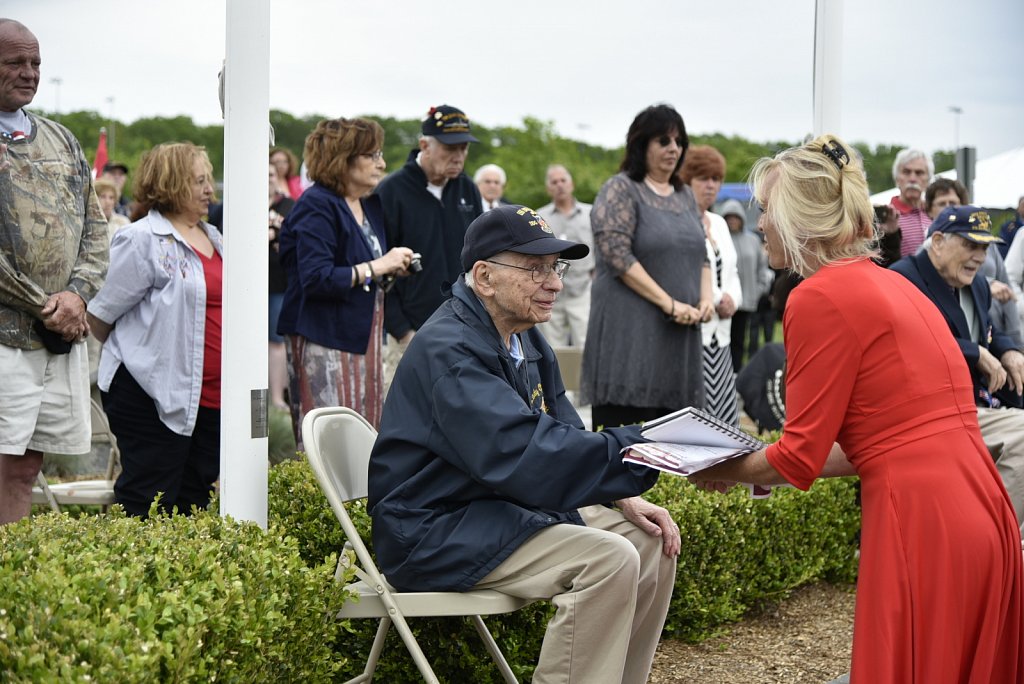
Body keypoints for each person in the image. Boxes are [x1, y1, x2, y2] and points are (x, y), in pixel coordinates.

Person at [689, 135, 1024, 682]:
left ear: (799, 219)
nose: (760, 224)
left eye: (768, 210)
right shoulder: (897, 287)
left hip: (922, 521)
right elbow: (876, 442)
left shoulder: (817, 297)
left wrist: (721, 467)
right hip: (982, 509)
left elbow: (797, 458)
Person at [369, 204, 678, 684]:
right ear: (485, 277)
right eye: (535, 269)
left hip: (490, 508)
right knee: (608, 559)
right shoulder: (450, 350)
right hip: (432, 530)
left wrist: (623, 492)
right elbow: (526, 455)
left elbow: (565, 433)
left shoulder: (523, 336)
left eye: (555, 267)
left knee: (649, 542)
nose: (554, 283)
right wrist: (651, 446)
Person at [0, 19, 108, 525]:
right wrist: (44, 305)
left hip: (59, 334)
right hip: (9, 336)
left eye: (36, 63)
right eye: (15, 62)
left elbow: (95, 226)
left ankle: (16, 574)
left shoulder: (62, 139)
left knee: (26, 466)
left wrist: (78, 296)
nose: (28, 73)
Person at [86, 142, 222, 517]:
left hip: (208, 399)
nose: (209, 189)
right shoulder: (142, 239)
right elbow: (100, 316)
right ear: (171, 183)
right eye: (198, 181)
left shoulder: (216, 238)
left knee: (194, 499)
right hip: (150, 395)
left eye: (208, 180)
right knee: (148, 498)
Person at [276, 117, 414, 440]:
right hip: (324, 341)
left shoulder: (368, 204)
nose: (382, 163)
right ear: (343, 159)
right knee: (331, 443)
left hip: (363, 338)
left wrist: (389, 269)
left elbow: (361, 268)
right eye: (372, 155)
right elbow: (316, 278)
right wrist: (379, 265)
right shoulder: (316, 205)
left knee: (364, 440)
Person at [580, 104, 712, 429]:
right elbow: (617, 256)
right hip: (630, 338)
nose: (673, 149)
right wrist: (669, 304)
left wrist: (706, 299)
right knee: (627, 448)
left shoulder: (685, 195)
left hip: (679, 339)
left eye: (678, 141)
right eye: (663, 141)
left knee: (675, 446)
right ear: (642, 145)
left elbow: (702, 254)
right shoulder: (621, 189)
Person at [890, 205, 1024, 522]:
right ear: (937, 241)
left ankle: (998, 533)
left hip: (970, 404)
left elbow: (988, 333)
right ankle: (989, 534)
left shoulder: (977, 283)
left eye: (985, 246)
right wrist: (975, 353)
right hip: (924, 411)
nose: (980, 255)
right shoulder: (901, 278)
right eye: (970, 244)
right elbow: (910, 343)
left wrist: (1008, 350)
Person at [375, 104, 484, 392]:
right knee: (405, 420)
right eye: (450, 148)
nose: (458, 156)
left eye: (463, 148)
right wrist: (401, 330)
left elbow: (480, 258)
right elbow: (377, 263)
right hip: (410, 333)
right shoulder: (391, 191)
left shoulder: (468, 189)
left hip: (464, 331)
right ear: (425, 145)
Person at [679, 145, 741, 425]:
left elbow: (732, 271)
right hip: (693, 334)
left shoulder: (718, 222)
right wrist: (717, 300)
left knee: (726, 421)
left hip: (721, 337)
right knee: (697, 419)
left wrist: (732, 300)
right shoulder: (677, 222)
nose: (711, 185)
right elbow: (685, 272)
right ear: (687, 180)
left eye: (716, 179)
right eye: (703, 178)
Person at [924, 177, 1022, 347]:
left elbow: (1008, 287)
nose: (979, 257)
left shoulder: (988, 245)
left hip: (993, 333)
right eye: (942, 203)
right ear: (929, 210)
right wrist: (986, 284)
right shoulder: (925, 253)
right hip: (956, 341)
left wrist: (1014, 343)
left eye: (954, 202)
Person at [535, 164, 595, 348]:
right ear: (548, 188)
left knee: (586, 347)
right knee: (552, 348)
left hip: (583, 291)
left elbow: (601, 248)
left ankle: (583, 379)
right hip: (550, 293)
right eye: (554, 182)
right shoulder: (539, 217)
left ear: (572, 184)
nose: (559, 185)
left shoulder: (590, 213)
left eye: (563, 180)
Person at [721, 198, 770, 371]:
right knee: (723, 340)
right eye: (729, 217)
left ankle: (737, 373)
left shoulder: (752, 241)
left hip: (747, 300)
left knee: (741, 339)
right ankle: (723, 374)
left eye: (735, 217)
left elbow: (762, 268)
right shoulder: (720, 240)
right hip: (723, 302)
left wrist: (758, 291)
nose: (732, 220)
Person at [267, 162, 295, 411]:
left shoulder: (287, 206)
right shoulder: (239, 203)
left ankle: (276, 397)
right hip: (243, 287)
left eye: (271, 175)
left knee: (276, 341)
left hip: (279, 283)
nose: (266, 179)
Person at [889, 148, 933, 257]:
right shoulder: (887, 217)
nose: (912, 178)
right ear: (897, 178)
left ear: (928, 180)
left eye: (919, 173)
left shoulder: (935, 212)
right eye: (906, 172)